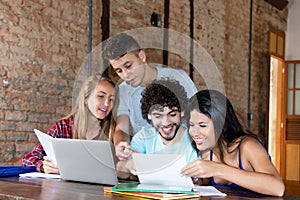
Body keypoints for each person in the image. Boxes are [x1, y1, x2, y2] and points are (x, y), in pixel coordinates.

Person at [103, 32, 197, 160]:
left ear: (142, 56)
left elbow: (199, 119)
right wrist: (120, 144)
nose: (125, 75)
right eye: (119, 70)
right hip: (142, 163)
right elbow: (122, 128)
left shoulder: (179, 79)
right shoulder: (124, 89)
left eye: (128, 66)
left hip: (184, 158)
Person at [181, 89, 285, 196]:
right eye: (191, 125)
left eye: (202, 125)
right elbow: (206, 184)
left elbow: (278, 188)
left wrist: (217, 168)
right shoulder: (207, 152)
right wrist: (196, 181)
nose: (194, 132)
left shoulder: (247, 146)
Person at [21, 74, 116, 174]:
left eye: (111, 99)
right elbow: (27, 159)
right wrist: (43, 166)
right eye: (101, 96)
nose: (107, 104)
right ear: (86, 98)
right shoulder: (63, 127)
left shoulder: (114, 132)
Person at [116, 79, 198, 179]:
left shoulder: (194, 140)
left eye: (172, 114)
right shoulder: (143, 137)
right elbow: (120, 171)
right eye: (158, 116)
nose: (166, 123)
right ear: (149, 115)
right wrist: (129, 164)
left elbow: (201, 180)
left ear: (182, 112)